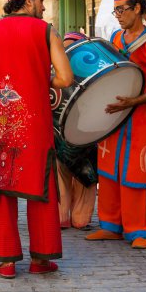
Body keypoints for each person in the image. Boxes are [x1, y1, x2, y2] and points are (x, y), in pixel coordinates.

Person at [0, 0, 73, 278]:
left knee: (2, 185)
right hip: (34, 122)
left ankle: (5, 261)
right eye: (41, 0)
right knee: (41, 189)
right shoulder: (45, 31)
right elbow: (65, 78)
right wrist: (40, 80)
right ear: (28, 1)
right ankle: (41, 260)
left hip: (0, 125)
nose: (44, 6)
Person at [86, 0, 146, 249]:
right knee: (109, 170)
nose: (118, 15)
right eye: (116, 10)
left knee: (135, 172)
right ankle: (110, 226)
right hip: (114, 115)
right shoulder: (115, 38)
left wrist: (135, 101)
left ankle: (137, 231)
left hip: (143, 114)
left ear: (138, 9)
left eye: (122, 10)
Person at [57, 32, 97, 230]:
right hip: (65, 129)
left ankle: (75, 217)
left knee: (82, 172)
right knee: (65, 170)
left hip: (84, 129)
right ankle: (65, 216)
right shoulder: (57, 71)